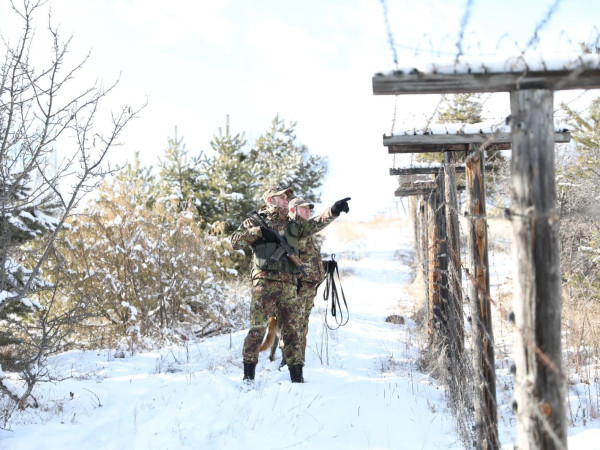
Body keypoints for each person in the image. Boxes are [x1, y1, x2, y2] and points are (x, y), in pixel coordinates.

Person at [231, 186, 350, 384]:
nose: (287, 199)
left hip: (288, 285)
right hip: (264, 283)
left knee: (293, 331)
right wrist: (258, 232)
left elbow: (313, 225)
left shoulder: (292, 225)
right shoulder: (254, 221)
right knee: (258, 328)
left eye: (287, 197)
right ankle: (248, 377)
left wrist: (334, 210)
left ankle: (297, 378)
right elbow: (235, 241)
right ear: (270, 199)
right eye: (282, 197)